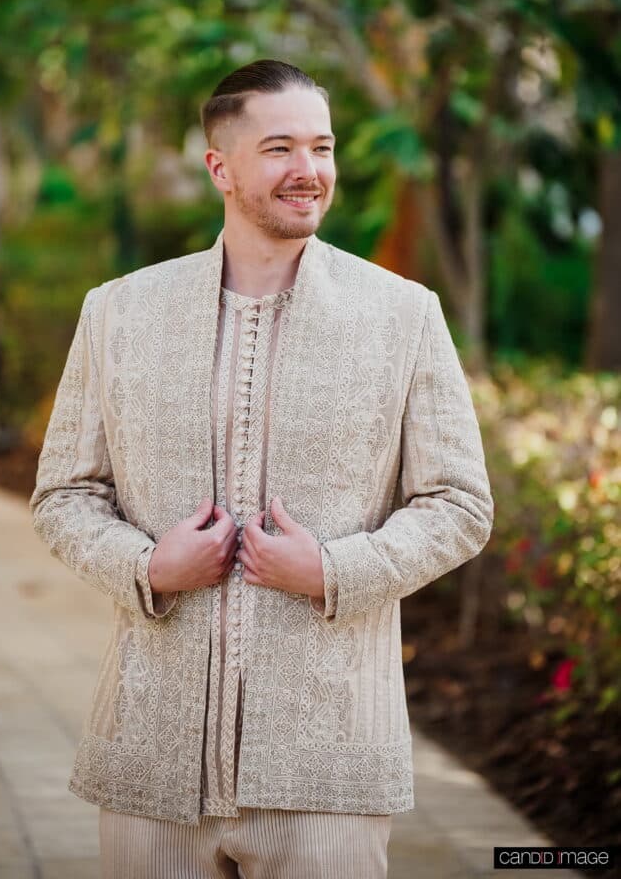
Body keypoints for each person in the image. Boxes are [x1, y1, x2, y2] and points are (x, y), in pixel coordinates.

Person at [29, 58, 494, 878]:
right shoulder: (120, 311)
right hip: (151, 756)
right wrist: (147, 566)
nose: (307, 171)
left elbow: (457, 503)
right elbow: (65, 493)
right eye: (279, 148)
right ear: (220, 166)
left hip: (327, 762)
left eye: (321, 147)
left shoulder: (401, 315)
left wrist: (333, 569)